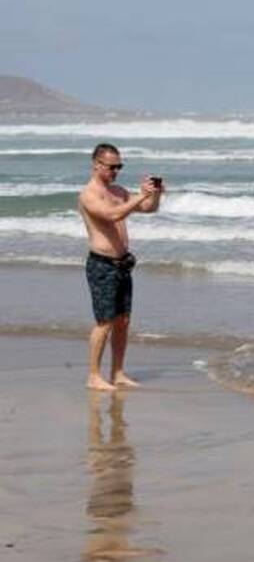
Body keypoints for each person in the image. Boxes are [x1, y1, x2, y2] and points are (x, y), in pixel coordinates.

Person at [77, 143, 163, 391]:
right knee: (104, 322)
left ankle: (118, 372)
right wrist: (139, 197)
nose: (116, 171)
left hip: (122, 264)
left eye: (119, 167)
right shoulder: (89, 194)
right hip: (102, 265)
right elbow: (113, 215)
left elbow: (148, 209)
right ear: (97, 165)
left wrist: (154, 194)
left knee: (123, 320)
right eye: (112, 167)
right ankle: (93, 376)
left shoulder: (117, 190)